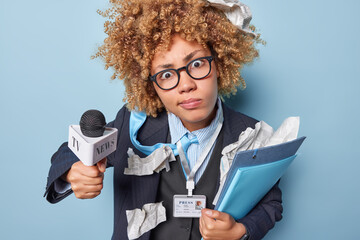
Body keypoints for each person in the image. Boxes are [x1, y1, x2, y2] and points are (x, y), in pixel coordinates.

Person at [44, 0, 283, 239]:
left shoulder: (251, 134)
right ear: (151, 85)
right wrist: (73, 172)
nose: (187, 85)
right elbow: (69, 153)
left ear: (219, 63)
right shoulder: (133, 126)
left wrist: (240, 230)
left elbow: (271, 204)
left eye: (197, 64)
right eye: (167, 75)